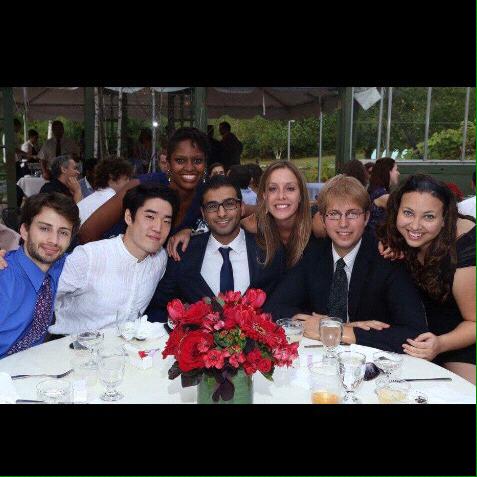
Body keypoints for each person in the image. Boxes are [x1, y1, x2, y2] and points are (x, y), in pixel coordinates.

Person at [264, 175, 428, 353]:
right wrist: (330, 324)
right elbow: (274, 309)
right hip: (320, 357)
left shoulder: (388, 259)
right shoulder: (312, 255)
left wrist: (339, 330)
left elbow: (415, 332)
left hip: (371, 359)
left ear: (366, 217)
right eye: (334, 214)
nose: (343, 223)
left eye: (352, 214)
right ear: (323, 220)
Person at [145, 175, 285, 322]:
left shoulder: (270, 251)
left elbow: (281, 304)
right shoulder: (182, 254)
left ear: (242, 207)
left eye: (229, 204)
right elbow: (158, 308)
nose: (221, 213)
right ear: (203, 213)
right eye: (212, 206)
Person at [379, 174, 475, 383]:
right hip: (419, 337)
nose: (415, 225)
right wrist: (389, 241)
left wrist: (440, 344)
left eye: (429, 217)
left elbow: (474, 322)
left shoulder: (464, 256)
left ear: (444, 219)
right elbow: (378, 201)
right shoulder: (400, 236)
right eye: (408, 213)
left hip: (460, 342)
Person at [49, 184, 178, 335]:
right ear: (129, 217)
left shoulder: (160, 259)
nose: (158, 227)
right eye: (150, 217)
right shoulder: (90, 257)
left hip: (125, 345)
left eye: (166, 221)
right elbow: (41, 298)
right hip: (71, 344)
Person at [78, 127, 208, 246]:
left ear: (205, 164)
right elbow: (87, 233)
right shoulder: (142, 186)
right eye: (180, 160)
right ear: (168, 164)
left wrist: (189, 230)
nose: (189, 167)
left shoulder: (205, 194)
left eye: (197, 160)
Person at [0, 193, 80, 357]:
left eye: (63, 232)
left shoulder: (65, 266)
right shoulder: (4, 279)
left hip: (38, 364)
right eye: (44, 228)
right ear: (24, 230)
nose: (54, 240)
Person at [77, 157, 132, 225]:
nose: (128, 182)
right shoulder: (115, 201)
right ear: (112, 177)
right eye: (126, 179)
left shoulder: (86, 201)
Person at [367, 157, 400, 235]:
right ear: (388, 172)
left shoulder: (375, 190)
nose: (398, 173)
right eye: (396, 170)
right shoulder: (384, 196)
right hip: (376, 239)